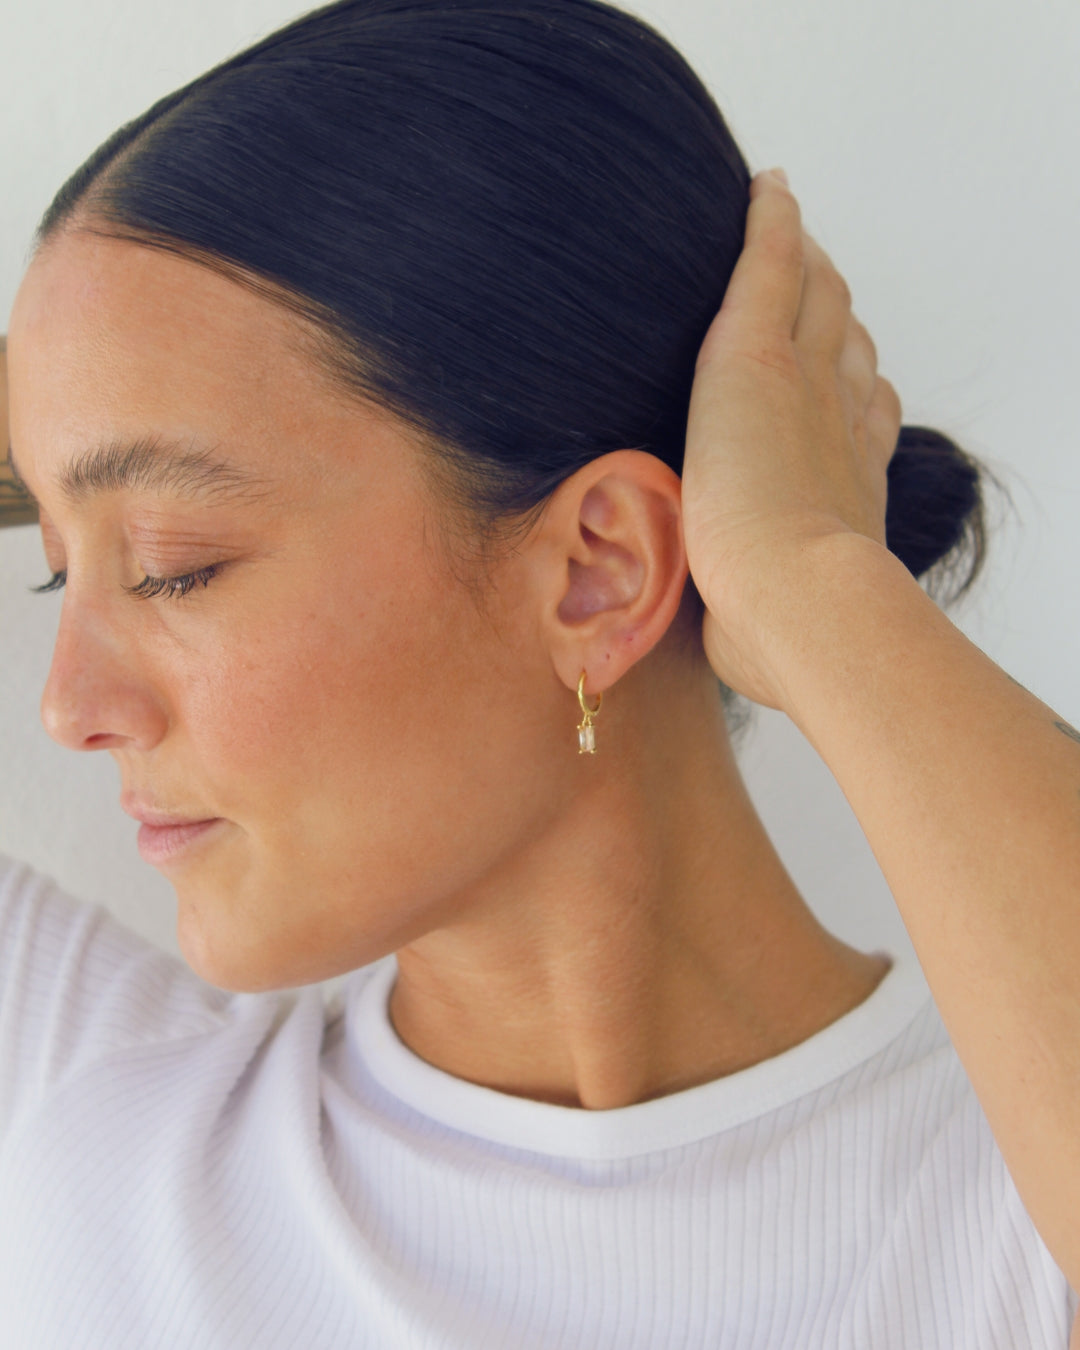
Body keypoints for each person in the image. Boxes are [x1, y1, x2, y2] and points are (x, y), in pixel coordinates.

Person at [2, 0, 1079, 1345]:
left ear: (598, 570)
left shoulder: (1015, 1212)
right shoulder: (75, 1095)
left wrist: (807, 574)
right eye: (58, 566)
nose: (69, 703)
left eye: (171, 564)